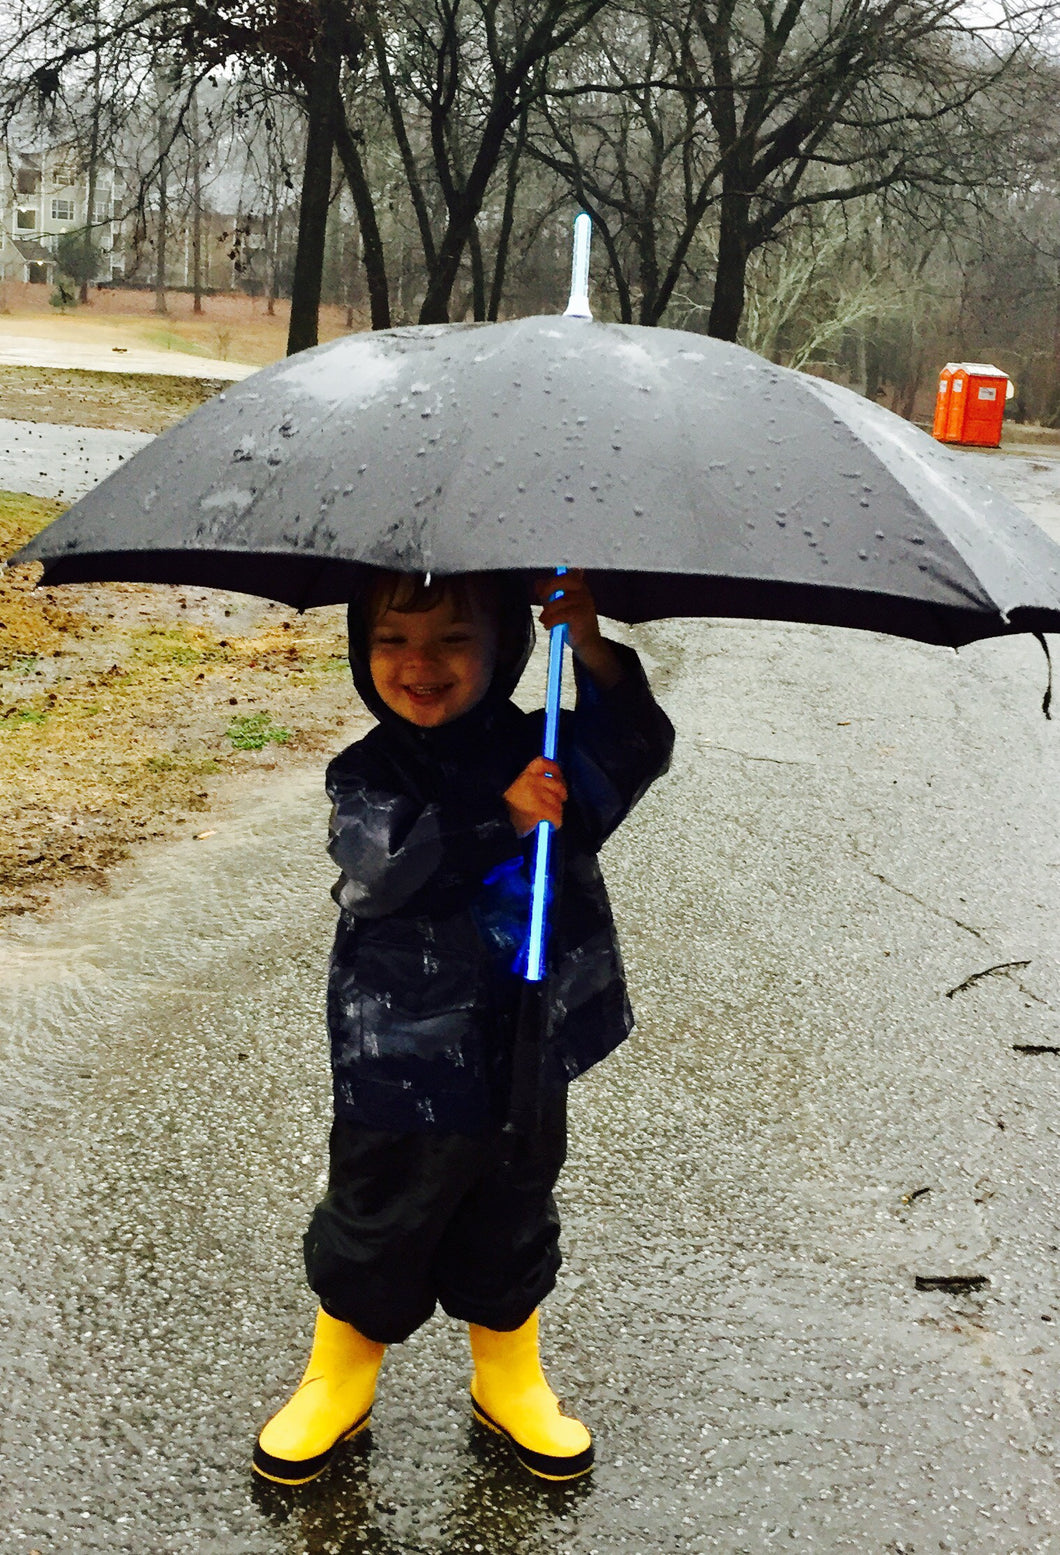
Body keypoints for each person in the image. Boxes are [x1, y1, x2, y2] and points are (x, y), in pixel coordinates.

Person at [252, 567, 674, 1487]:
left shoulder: (544, 747)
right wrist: (501, 816)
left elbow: (638, 743)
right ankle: (341, 1372)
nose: (421, 663)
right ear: (364, 656)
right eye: (394, 640)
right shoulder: (366, 769)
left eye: (453, 639)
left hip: (527, 1037)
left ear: (508, 648)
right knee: (380, 1209)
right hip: (398, 1053)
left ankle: (509, 1371)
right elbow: (385, 869)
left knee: (514, 1198)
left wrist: (593, 647)